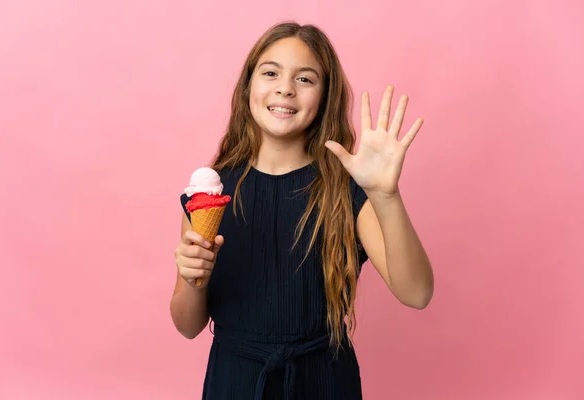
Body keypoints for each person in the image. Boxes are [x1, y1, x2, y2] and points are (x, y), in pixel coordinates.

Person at [171, 21, 434, 400]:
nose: (285, 88)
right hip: (235, 382)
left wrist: (384, 195)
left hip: (325, 382)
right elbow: (187, 325)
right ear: (249, 86)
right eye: (270, 72)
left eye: (305, 79)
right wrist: (193, 278)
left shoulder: (346, 191)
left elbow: (417, 293)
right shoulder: (210, 193)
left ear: (325, 96)